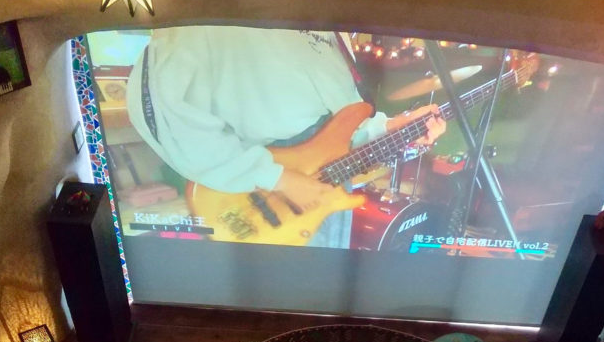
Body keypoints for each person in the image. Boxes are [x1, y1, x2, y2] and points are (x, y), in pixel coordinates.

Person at [126, 25, 445, 247]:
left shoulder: (326, 20)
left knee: (316, 308)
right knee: (272, 313)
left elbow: (333, 116)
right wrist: (276, 177)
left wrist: (390, 128)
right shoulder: (204, 12)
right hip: (263, 191)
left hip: (321, 188)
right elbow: (164, 107)